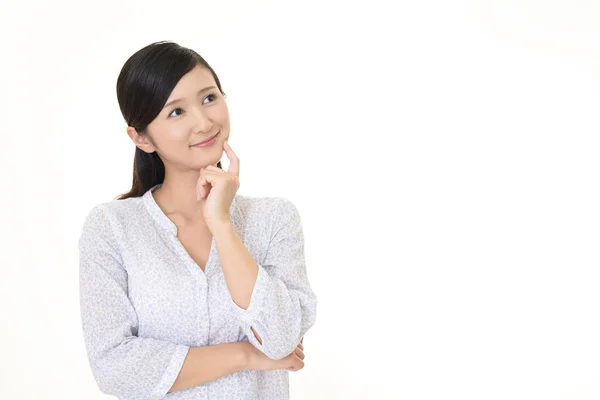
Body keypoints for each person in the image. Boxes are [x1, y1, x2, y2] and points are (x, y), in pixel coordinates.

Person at [77, 40, 318, 400]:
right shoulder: (112, 229)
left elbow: (281, 337)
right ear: (141, 137)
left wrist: (221, 224)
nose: (204, 122)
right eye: (176, 112)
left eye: (209, 98)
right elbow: (115, 368)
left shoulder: (274, 219)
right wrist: (245, 355)